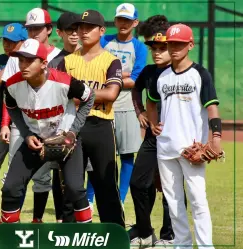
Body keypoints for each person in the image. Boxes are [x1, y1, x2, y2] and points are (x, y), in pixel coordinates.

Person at [0, 39, 95, 232]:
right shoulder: (12, 85)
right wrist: (25, 134)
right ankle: (11, 234)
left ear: (43, 63)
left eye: (29, 60)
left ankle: (87, 233)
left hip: (66, 139)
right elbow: (11, 106)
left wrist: (74, 131)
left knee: (75, 188)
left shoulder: (63, 81)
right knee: (11, 187)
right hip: (36, 139)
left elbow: (89, 96)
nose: (23, 65)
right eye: (20, 60)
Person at [147, 23, 221, 249]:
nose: (174, 48)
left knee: (198, 199)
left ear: (190, 45)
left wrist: (215, 137)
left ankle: (206, 246)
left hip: (192, 149)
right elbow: (151, 101)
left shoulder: (200, 74)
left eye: (179, 44)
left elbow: (212, 108)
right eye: (171, 44)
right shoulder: (161, 77)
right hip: (166, 148)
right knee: (174, 201)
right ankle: (182, 245)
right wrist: (152, 122)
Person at [57, 9, 125, 226]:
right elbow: (58, 94)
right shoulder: (67, 62)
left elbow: (111, 94)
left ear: (102, 30)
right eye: (80, 27)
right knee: (70, 185)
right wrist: (90, 95)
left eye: (89, 27)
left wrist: (79, 96)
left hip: (100, 125)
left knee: (106, 184)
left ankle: (113, 233)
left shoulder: (111, 61)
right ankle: (68, 234)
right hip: (71, 127)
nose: (83, 31)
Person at [0, 7, 62, 223]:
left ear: (49, 29)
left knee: (47, 176)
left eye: (38, 28)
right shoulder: (17, 57)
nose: (34, 32)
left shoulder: (60, 56)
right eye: (30, 28)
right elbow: (9, 94)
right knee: (12, 174)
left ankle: (38, 219)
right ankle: (8, 219)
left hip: (54, 124)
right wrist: (6, 124)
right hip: (24, 124)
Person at [85, 3, 147, 207]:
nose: (123, 23)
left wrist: (113, 79)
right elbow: (92, 67)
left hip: (127, 106)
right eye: (120, 19)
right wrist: (122, 76)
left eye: (128, 20)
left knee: (127, 154)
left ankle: (119, 199)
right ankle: (90, 197)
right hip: (101, 106)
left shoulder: (139, 47)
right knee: (96, 155)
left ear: (135, 23)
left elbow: (137, 79)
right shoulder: (104, 40)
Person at [128, 17, 172, 247]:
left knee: (169, 188)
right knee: (138, 182)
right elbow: (136, 89)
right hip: (153, 138)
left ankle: (168, 236)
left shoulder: (183, 72)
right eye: (153, 48)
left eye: (162, 48)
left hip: (177, 140)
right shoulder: (149, 72)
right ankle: (144, 232)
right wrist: (140, 111)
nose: (156, 52)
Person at [0, 23, 28, 223]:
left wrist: (22, 60)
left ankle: (9, 218)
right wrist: (12, 63)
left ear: (23, 42)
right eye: (5, 41)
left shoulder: (31, 61)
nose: (7, 45)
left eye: (12, 42)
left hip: (24, 123)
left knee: (14, 175)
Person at [47, 11, 81, 223]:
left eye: (78, 29)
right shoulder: (55, 62)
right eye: (70, 30)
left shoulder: (90, 58)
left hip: (89, 122)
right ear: (59, 33)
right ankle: (61, 217)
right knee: (58, 172)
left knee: (80, 175)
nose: (75, 34)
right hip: (61, 124)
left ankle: (80, 217)